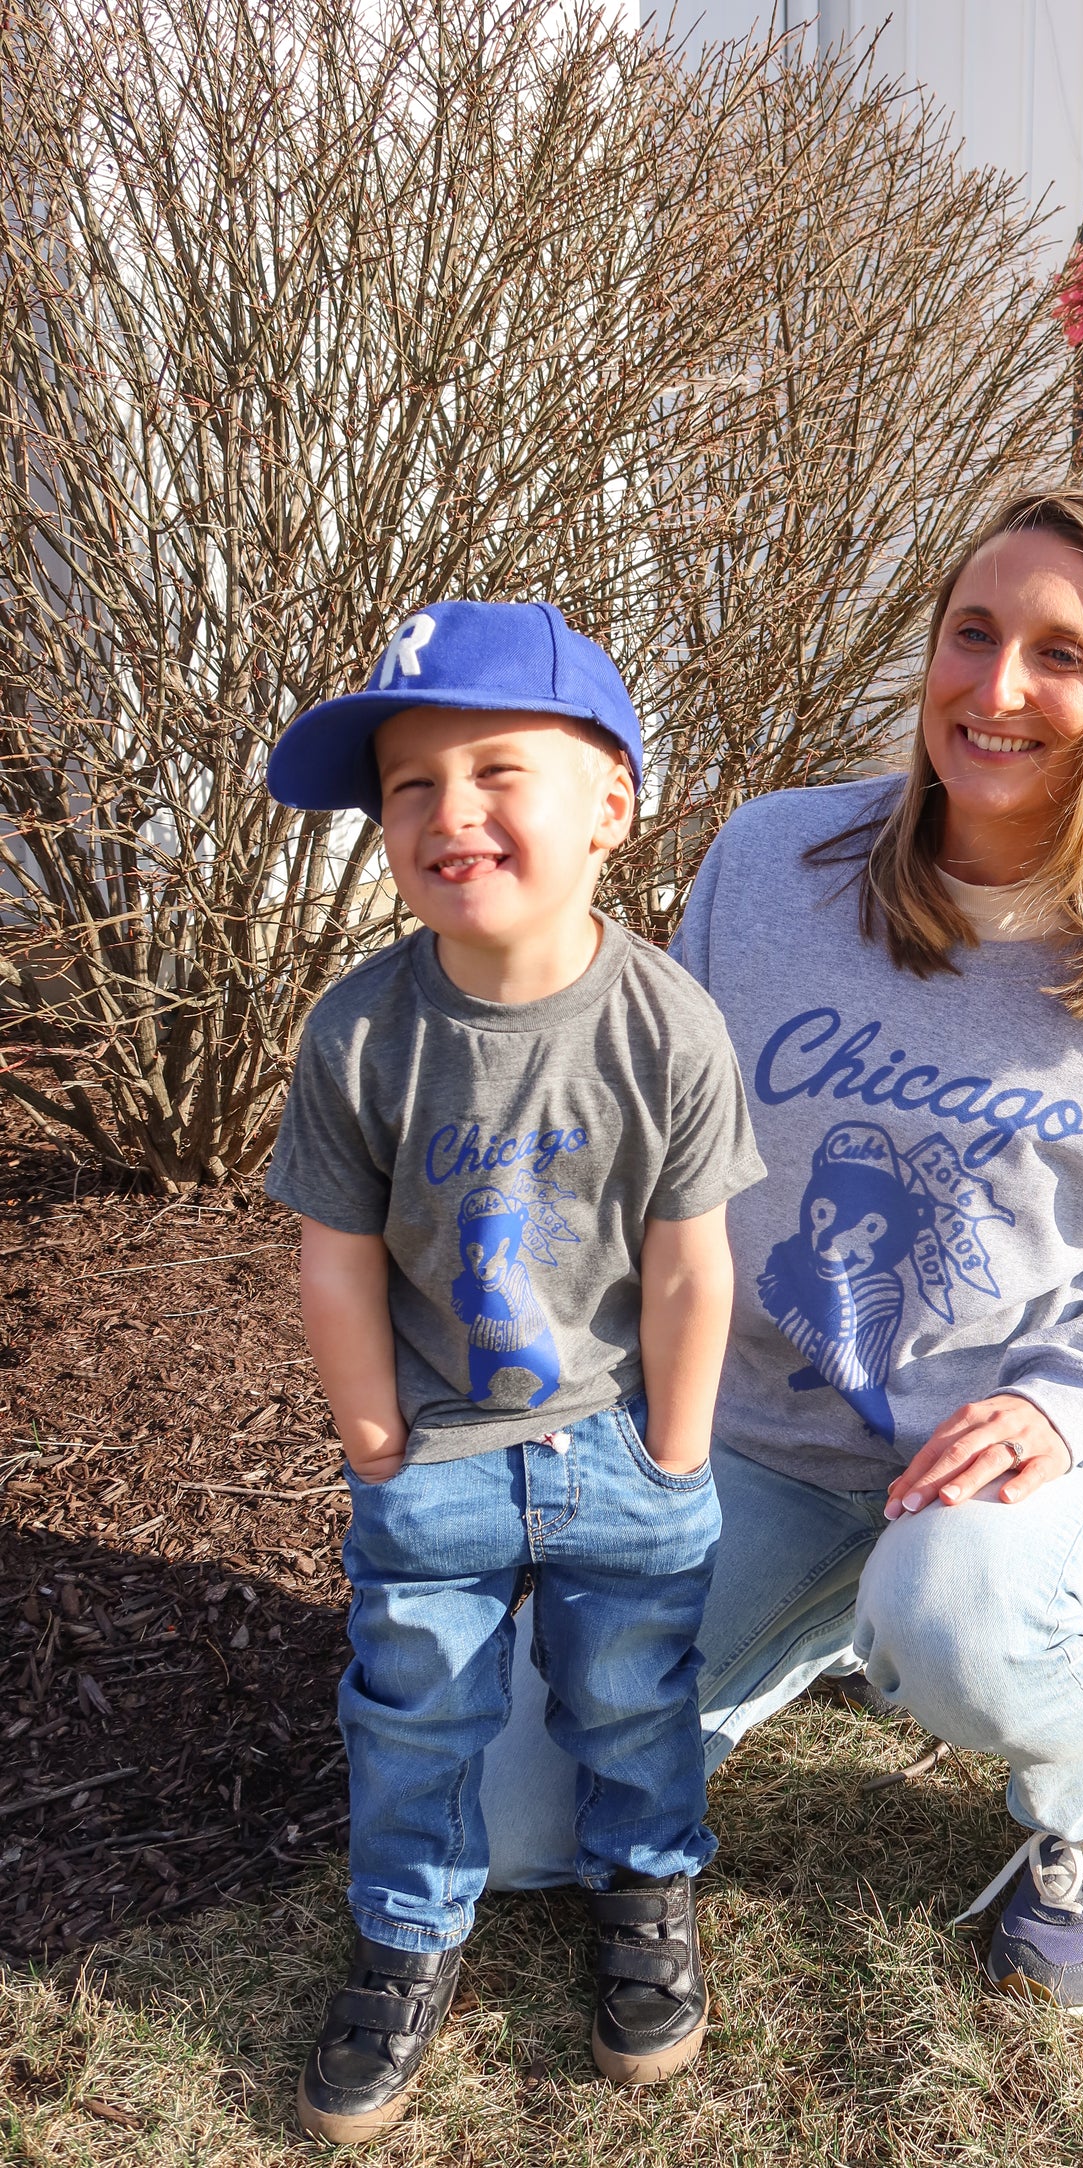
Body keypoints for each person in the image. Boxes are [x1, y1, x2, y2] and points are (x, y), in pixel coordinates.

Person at [471, 488, 1083, 2020]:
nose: (994, 690)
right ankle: (813, 1614)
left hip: (1013, 1465)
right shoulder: (776, 862)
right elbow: (670, 1131)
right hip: (759, 1441)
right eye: (972, 633)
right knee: (511, 1830)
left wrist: (1071, 1407)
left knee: (956, 1615)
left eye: (1058, 655)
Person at [263, 601, 764, 2140]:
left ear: (609, 805)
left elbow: (688, 1261)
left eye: (494, 769)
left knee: (630, 1698)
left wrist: (677, 1458)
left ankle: (646, 1892)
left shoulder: (666, 1025)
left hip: (617, 1444)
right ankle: (410, 1934)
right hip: (440, 1459)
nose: (447, 812)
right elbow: (337, 1259)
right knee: (411, 1713)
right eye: (408, 786)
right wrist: (371, 1443)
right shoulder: (359, 1034)